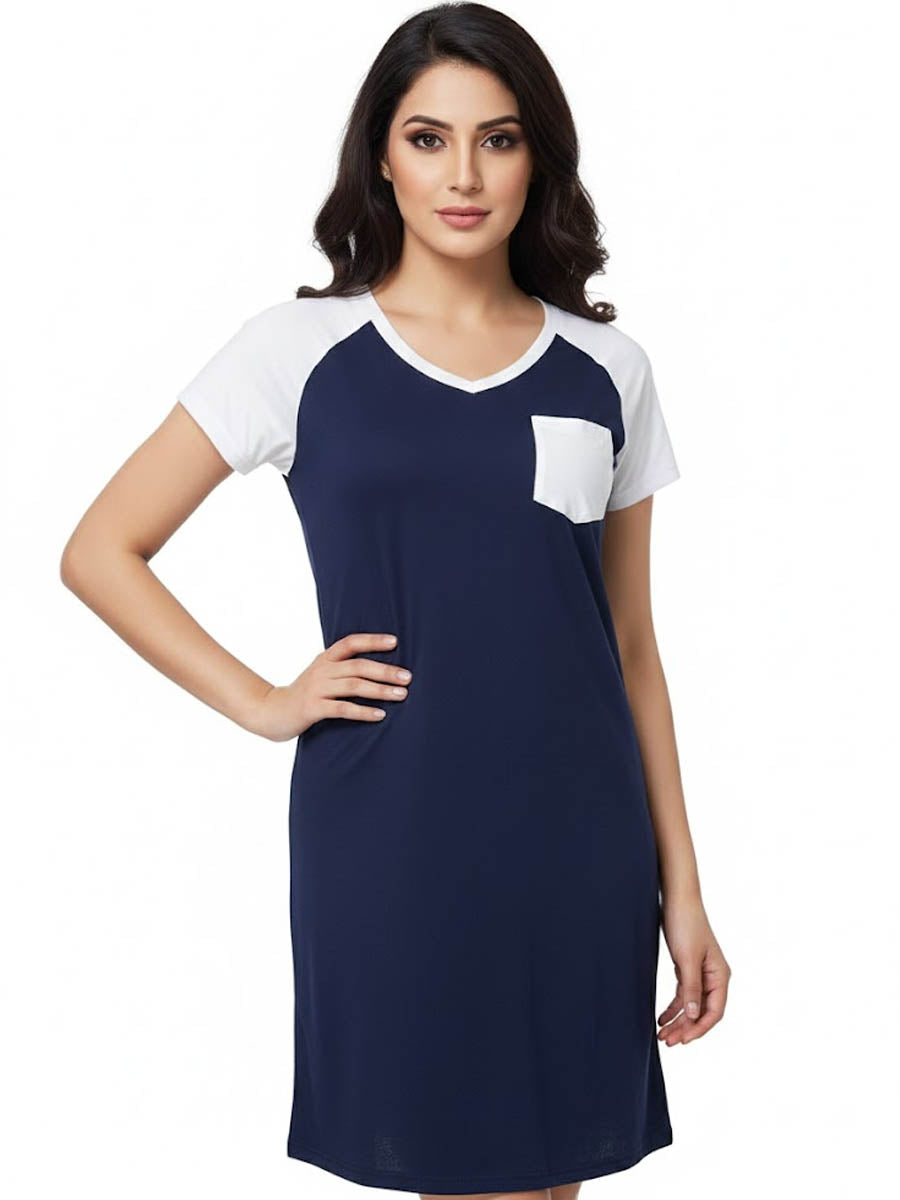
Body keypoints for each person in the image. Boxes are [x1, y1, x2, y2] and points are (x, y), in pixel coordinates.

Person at [60, 3, 731, 1196]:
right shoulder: (297, 348)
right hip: (394, 833)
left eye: (498, 139)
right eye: (429, 139)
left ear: (538, 159)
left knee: (552, 1173)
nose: (463, 175)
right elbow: (102, 549)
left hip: (580, 838)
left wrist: (683, 889)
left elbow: (630, 644)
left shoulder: (609, 369)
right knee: (456, 1158)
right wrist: (264, 701)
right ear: (381, 155)